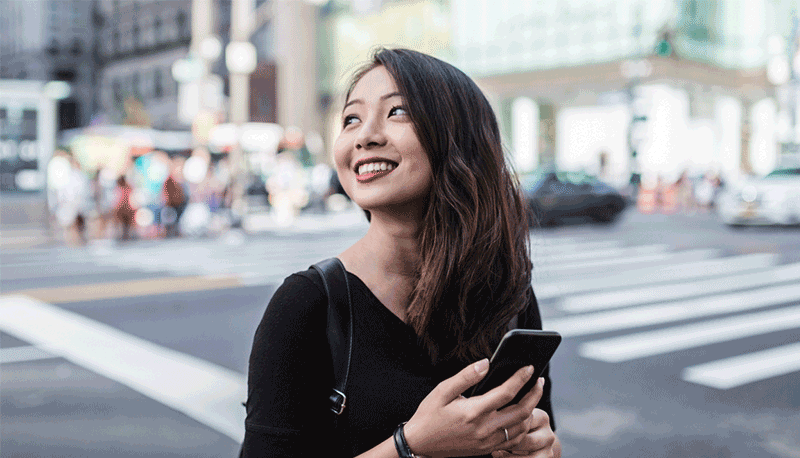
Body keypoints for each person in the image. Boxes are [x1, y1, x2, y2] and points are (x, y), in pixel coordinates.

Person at [241, 48, 561, 458]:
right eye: (351, 119)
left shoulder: (508, 294)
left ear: (460, 139)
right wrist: (410, 447)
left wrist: (544, 450)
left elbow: (544, 431)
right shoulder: (308, 306)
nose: (365, 136)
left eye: (397, 112)